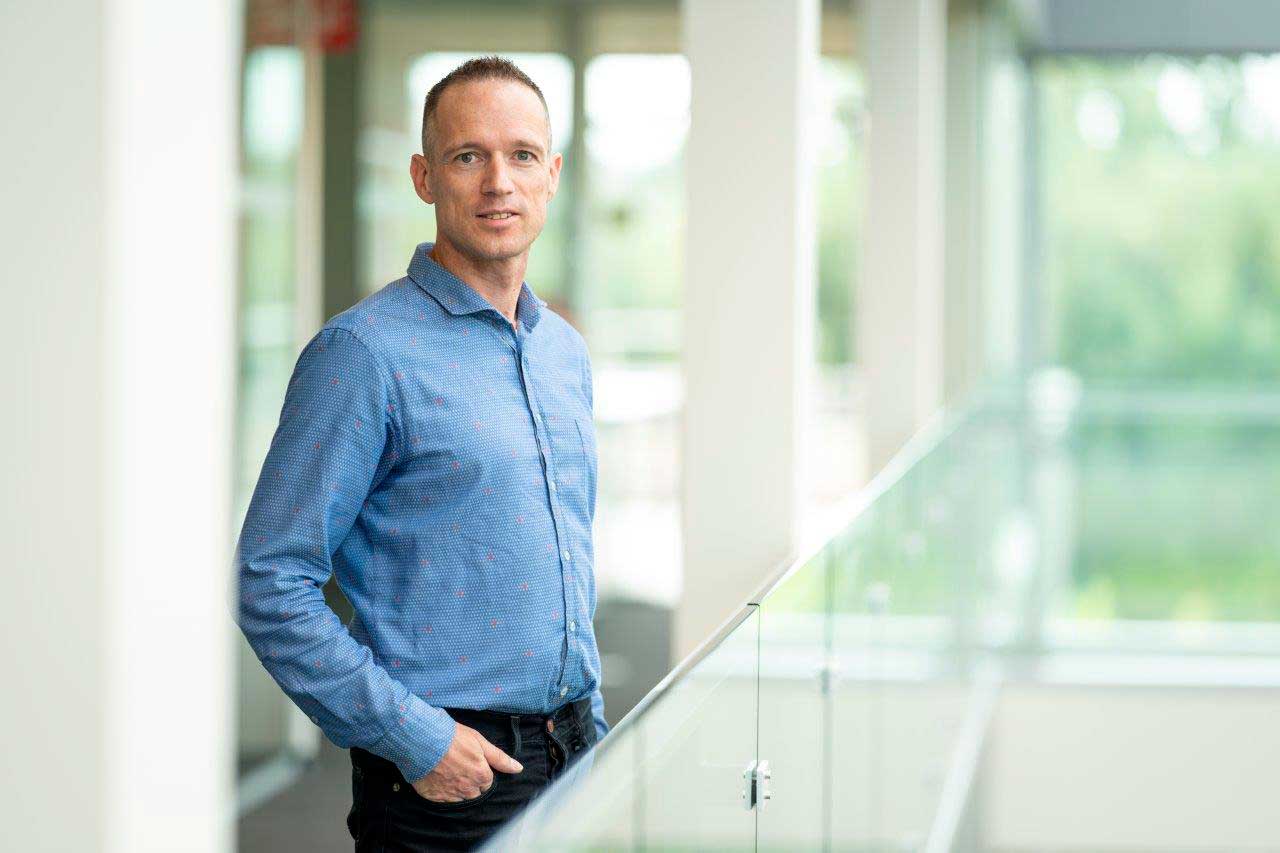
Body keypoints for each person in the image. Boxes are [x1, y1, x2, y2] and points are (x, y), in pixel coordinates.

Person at [234, 55, 608, 851]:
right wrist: (412, 735)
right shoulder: (363, 354)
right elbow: (269, 578)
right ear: (424, 177)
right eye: (469, 156)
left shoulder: (564, 352)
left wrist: (596, 726)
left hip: (577, 754)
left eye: (522, 155)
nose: (498, 182)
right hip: (446, 779)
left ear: (551, 176)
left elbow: (569, 564)